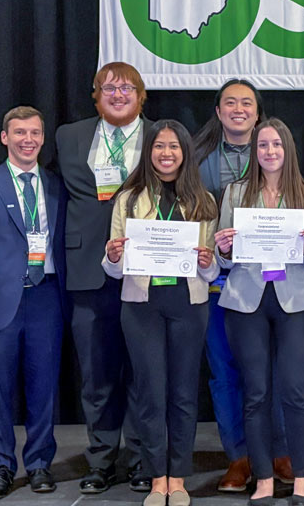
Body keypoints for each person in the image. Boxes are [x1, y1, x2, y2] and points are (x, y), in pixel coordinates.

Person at [102, 119, 220, 506]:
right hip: (141, 305)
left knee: (184, 393)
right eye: (159, 146)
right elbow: (113, 265)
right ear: (148, 151)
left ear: (185, 153)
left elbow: (213, 269)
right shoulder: (128, 198)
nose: (166, 153)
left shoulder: (203, 200)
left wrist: (206, 261)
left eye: (174, 147)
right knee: (151, 393)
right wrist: (113, 256)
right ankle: (157, 479)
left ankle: (179, 479)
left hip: (189, 305)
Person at [0, 106, 67, 499]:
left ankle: (39, 464)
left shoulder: (57, 185)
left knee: (43, 389)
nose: (28, 140)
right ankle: (1, 467)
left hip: (47, 299)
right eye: (19, 132)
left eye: (35, 133)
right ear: (5, 137)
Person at [214, 118, 304, 506]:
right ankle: (262, 478)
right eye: (263, 146)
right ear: (254, 152)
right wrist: (224, 247)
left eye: (276, 144)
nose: (270, 152)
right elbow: (222, 259)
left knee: (295, 391)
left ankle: (303, 479)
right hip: (246, 300)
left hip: (294, 301)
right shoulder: (235, 193)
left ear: (287, 149)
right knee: (256, 393)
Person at [55, 62, 152, 492]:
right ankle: (100, 460)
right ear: (95, 96)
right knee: (97, 375)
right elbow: (39, 181)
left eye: (126, 87)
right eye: (108, 87)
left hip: (145, 270)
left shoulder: (161, 137)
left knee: (142, 372)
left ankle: (141, 460)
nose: (117, 94)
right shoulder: (67, 136)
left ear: (141, 95)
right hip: (88, 270)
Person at [194, 80, 294, 491]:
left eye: (246, 103)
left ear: (257, 112)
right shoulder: (197, 161)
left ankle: (281, 452)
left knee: (275, 371)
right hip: (218, 283)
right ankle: (238, 456)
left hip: (272, 283)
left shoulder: (277, 155)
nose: (238, 109)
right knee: (225, 372)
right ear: (218, 112)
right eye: (229, 103)